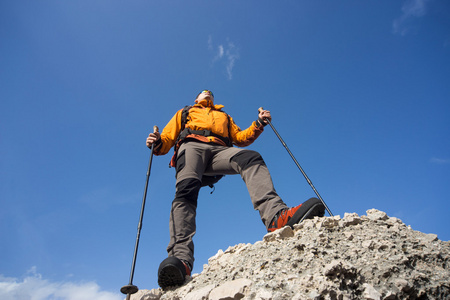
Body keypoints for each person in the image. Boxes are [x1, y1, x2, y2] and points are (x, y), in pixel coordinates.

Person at [146, 90, 325, 289]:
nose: (208, 94)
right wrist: (157, 142)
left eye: (211, 93)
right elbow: (167, 138)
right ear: (197, 98)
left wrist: (258, 124)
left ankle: (276, 216)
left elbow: (240, 137)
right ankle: (181, 260)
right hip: (191, 147)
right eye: (204, 93)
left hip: (219, 150)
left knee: (250, 157)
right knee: (185, 191)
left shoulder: (224, 116)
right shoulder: (185, 112)